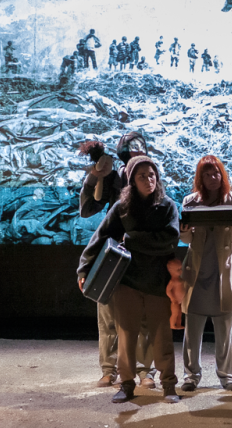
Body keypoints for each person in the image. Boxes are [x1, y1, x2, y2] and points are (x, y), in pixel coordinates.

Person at [77, 156, 181, 404]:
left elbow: (169, 240)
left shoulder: (167, 206)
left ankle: (168, 386)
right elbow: (100, 237)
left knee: (161, 336)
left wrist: (132, 240)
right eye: (142, 175)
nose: (149, 179)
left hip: (157, 282)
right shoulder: (121, 207)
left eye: (152, 174)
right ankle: (126, 384)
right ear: (132, 181)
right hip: (128, 283)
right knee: (126, 336)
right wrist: (83, 269)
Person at [78, 132, 158, 390]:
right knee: (108, 314)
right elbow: (88, 209)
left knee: (144, 315)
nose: (137, 155)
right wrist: (95, 175)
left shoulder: (150, 177)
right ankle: (109, 368)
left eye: (141, 151)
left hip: (141, 254)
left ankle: (146, 371)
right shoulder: (112, 175)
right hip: (112, 255)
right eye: (131, 151)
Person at [179, 156, 232, 392]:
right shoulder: (190, 201)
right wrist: (185, 231)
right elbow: (186, 239)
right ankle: (191, 375)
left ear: (223, 175)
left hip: (223, 269)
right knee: (193, 327)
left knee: (224, 326)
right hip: (198, 270)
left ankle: (228, 375)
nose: (213, 178)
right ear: (200, 178)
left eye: (216, 173)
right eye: (207, 174)